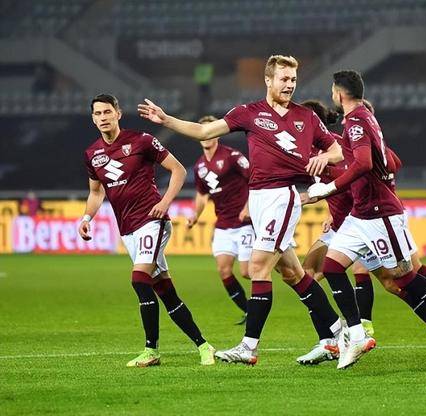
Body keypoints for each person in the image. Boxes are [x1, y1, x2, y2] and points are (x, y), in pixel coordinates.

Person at [138, 55, 345, 366]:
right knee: (292, 273)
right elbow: (205, 132)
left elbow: (337, 150)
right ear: (268, 80)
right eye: (284, 79)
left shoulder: (307, 117)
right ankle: (338, 332)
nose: (289, 85)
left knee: (257, 268)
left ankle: (249, 347)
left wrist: (324, 158)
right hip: (259, 198)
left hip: (281, 197)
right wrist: (167, 120)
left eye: (293, 79)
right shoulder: (249, 113)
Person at [308, 71, 426, 369]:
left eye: (332, 90)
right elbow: (384, 161)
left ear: (339, 93)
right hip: (360, 213)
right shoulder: (362, 118)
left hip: (380, 214)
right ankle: (357, 334)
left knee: (404, 278)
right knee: (333, 267)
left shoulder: (357, 122)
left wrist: (329, 187)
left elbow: (364, 163)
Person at [78, 94, 215, 367]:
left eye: (107, 112)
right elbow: (96, 192)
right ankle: (204, 345)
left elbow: (178, 170)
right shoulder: (92, 154)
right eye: (98, 113)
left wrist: (164, 203)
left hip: (152, 221)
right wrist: (86, 217)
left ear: (118, 113)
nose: (103, 117)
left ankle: (151, 350)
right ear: (93, 118)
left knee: (139, 279)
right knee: (165, 291)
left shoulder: (141, 140)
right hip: (128, 229)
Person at [187, 115, 253, 325]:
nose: (206, 137)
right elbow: (202, 195)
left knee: (247, 272)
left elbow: (254, 179)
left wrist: (248, 207)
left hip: (244, 222)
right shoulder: (199, 166)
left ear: (217, 134)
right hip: (223, 224)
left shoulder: (232, 156)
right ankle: (249, 311)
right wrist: (195, 215)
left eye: (210, 131)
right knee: (224, 270)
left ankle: (278, 263)